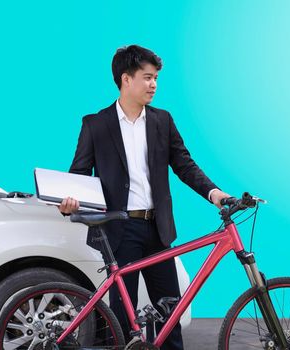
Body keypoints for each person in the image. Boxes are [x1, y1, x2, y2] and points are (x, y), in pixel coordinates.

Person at [58, 45, 229, 350]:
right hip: (119, 231)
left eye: (156, 79)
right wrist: (71, 200)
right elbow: (79, 174)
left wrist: (213, 193)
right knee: (122, 320)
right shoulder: (96, 124)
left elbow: (183, 164)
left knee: (170, 312)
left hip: (157, 229)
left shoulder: (162, 120)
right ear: (126, 79)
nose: (154, 85)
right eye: (147, 78)